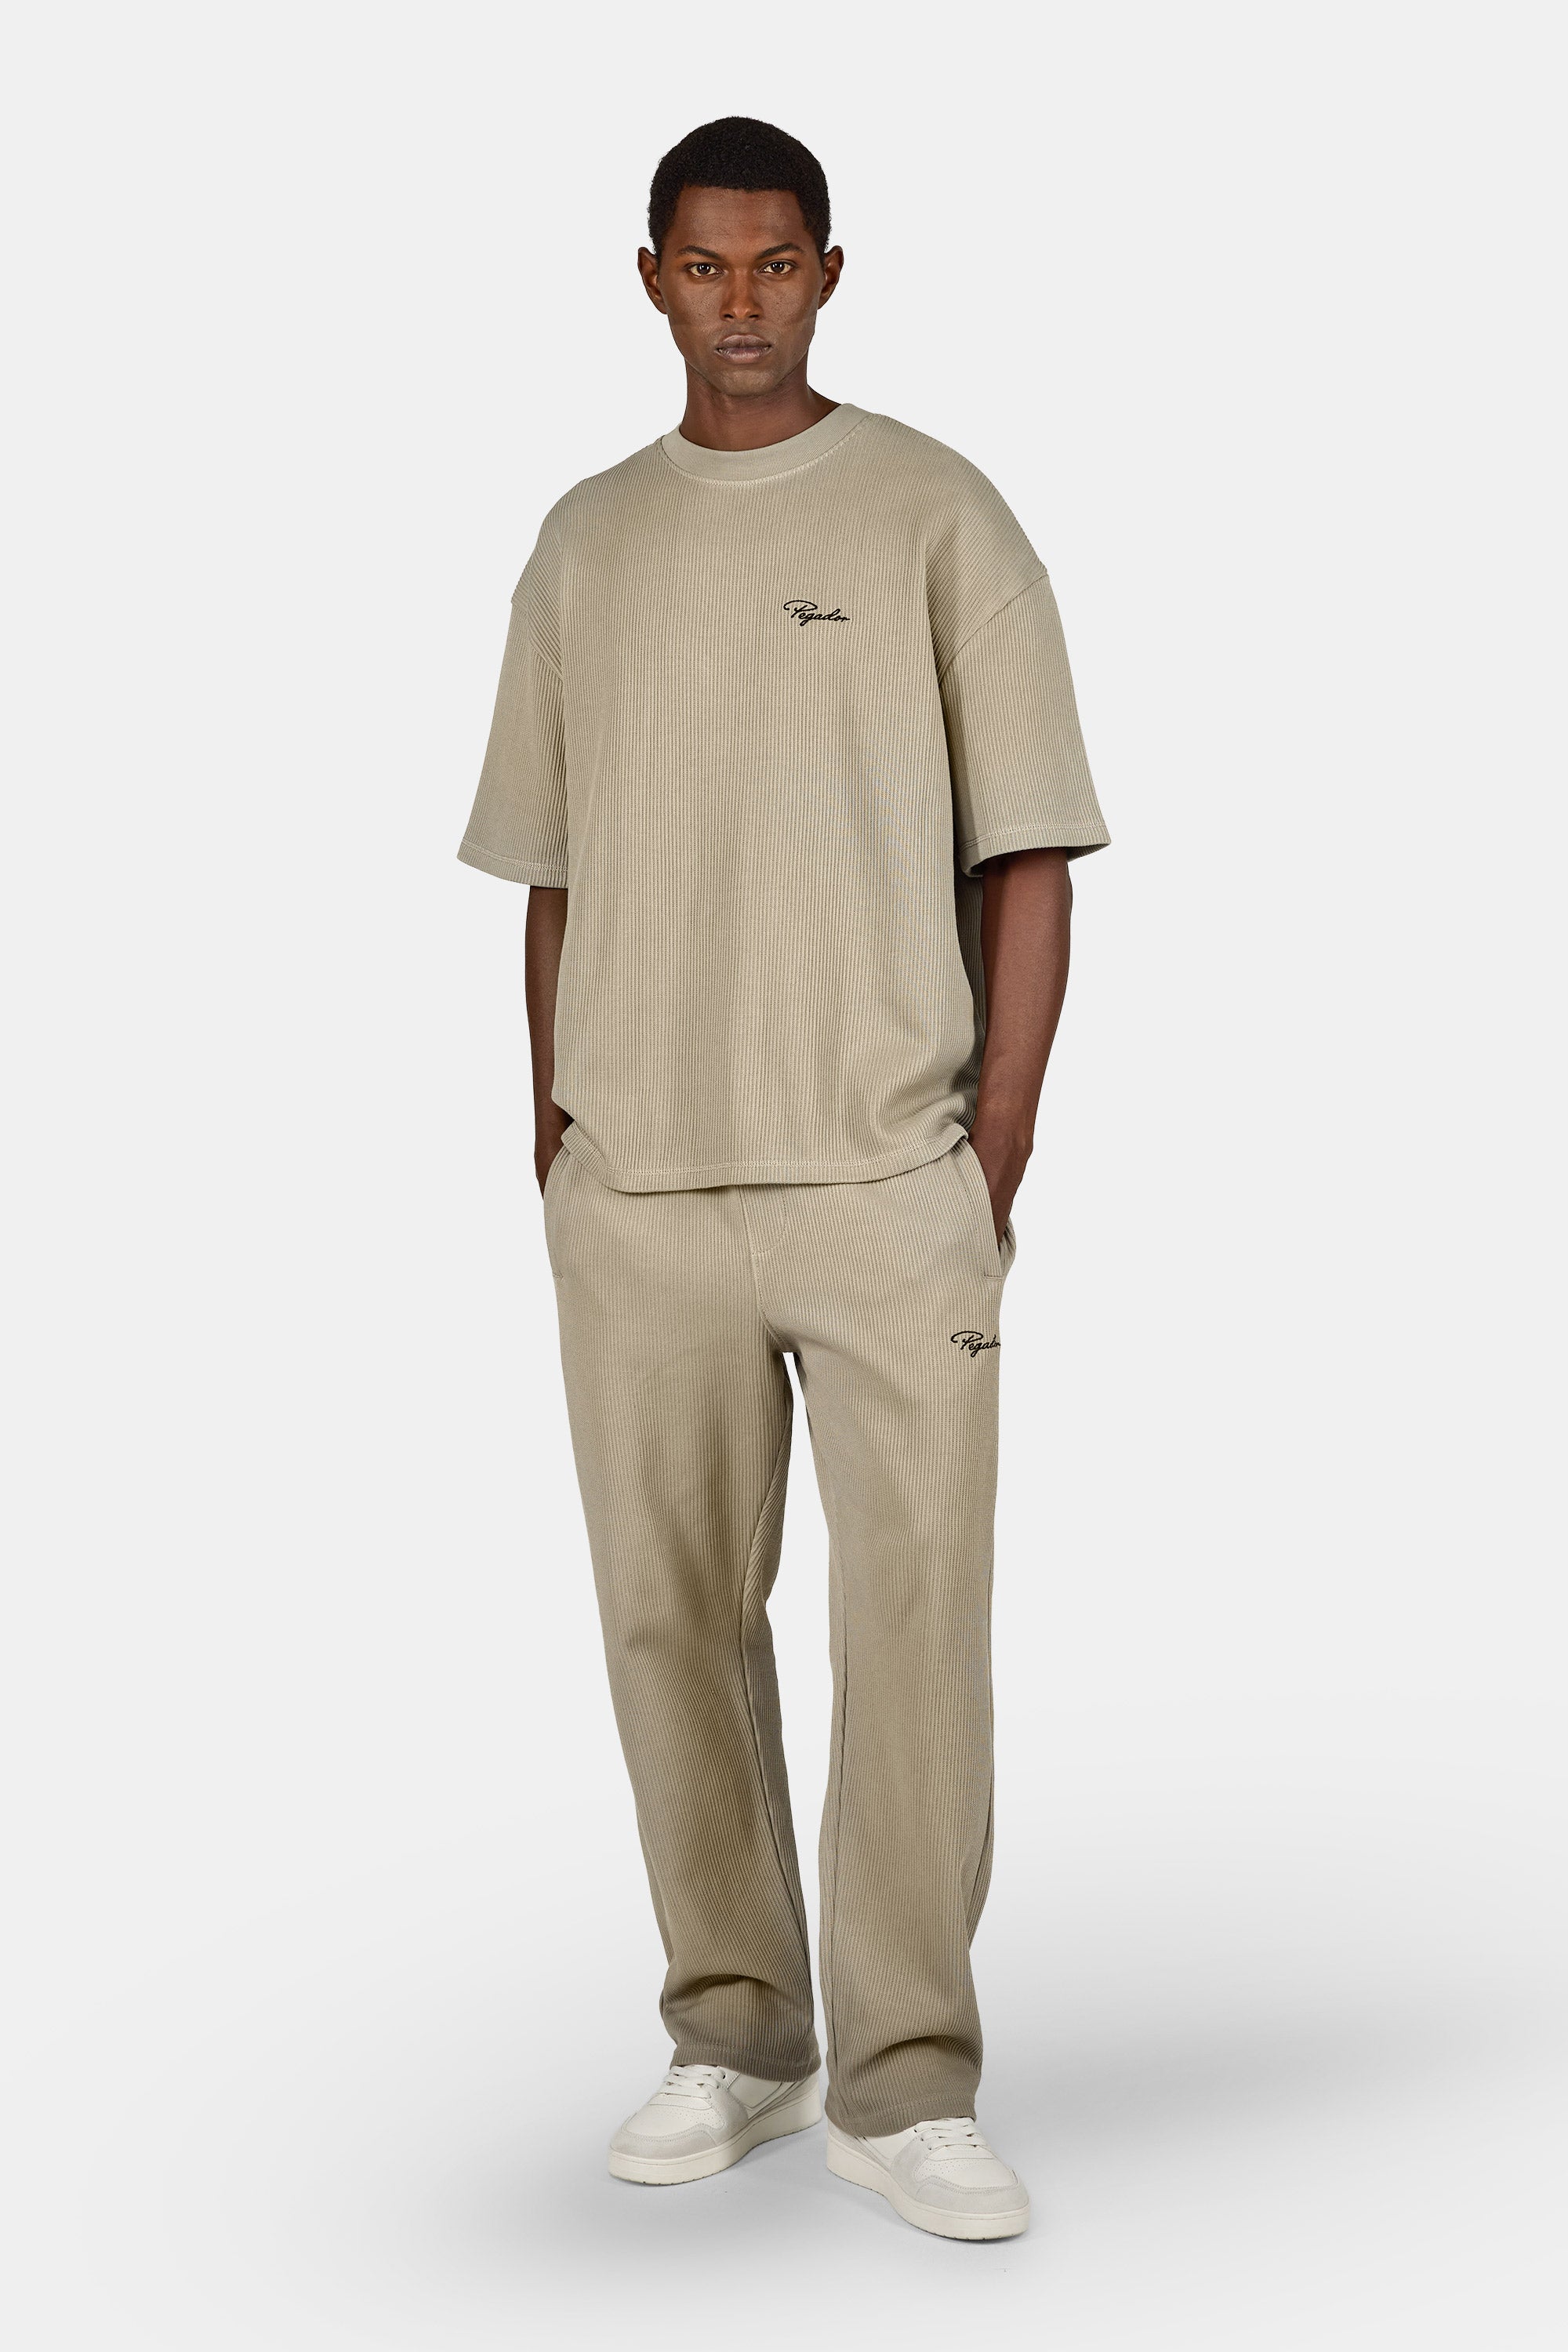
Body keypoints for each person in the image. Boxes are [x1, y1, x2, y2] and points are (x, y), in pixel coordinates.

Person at [459, 115, 1108, 2242]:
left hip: (882, 1179)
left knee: (915, 1627)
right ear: (650, 275)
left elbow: (1031, 852)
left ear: (830, 272)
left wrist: (989, 1154)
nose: (740, 301)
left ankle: (908, 2082)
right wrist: (555, 1134)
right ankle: (737, 2034)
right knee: (668, 1620)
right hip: (641, 1193)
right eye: (703, 265)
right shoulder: (586, 543)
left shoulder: (936, 511)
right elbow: (550, 870)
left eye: (775, 263)